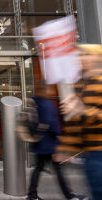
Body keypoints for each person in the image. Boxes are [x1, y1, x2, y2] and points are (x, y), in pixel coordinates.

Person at [26, 82, 86, 200]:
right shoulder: (47, 103)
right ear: (45, 90)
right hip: (50, 144)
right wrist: (59, 140)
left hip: (40, 143)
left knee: (39, 169)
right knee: (58, 171)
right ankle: (69, 195)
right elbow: (51, 123)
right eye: (49, 89)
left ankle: (32, 195)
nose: (52, 91)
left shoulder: (36, 102)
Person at [59, 44, 102, 200]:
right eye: (80, 55)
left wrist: (81, 109)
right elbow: (77, 123)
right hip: (91, 154)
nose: (81, 58)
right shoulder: (81, 85)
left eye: (86, 55)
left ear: (97, 57)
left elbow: (87, 113)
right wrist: (66, 148)